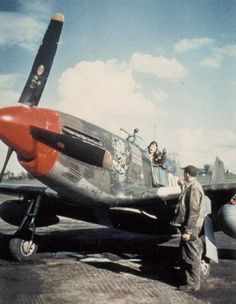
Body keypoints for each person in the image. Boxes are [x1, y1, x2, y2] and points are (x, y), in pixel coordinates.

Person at [172, 165, 205, 291]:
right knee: (187, 254)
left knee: (191, 255)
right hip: (189, 225)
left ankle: (193, 284)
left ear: (188, 174)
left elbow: (194, 211)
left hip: (191, 226)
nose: (183, 175)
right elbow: (187, 192)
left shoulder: (195, 189)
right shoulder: (192, 186)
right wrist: (181, 184)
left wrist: (188, 231)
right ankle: (189, 281)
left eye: (184, 173)